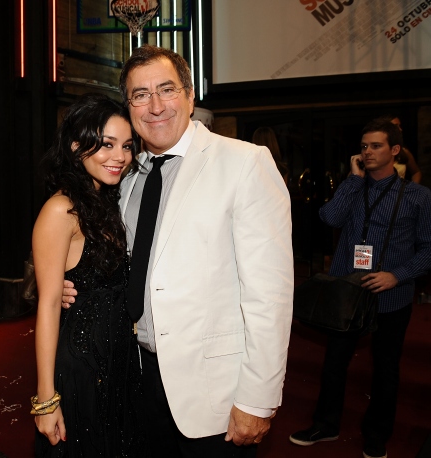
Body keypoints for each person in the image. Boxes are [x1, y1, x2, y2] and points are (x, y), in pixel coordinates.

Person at [62, 45, 293, 457]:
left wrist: (258, 398)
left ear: (189, 95)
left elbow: (270, 296)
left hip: (214, 390)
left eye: (166, 89)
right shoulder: (126, 177)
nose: (155, 106)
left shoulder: (243, 163)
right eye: (140, 95)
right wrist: (71, 284)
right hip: (135, 377)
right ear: (128, 106)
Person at [289, 118, 431, 458]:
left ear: (395, 150)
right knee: (334, 362)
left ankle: (376, 436)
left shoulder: (418, 196)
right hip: (346, 293)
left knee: (386, 368)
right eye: (364, 146)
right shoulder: (354, 188)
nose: (367, 152)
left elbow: (428, 249)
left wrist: (396, 275)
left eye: (376, 146)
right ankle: (326, 425)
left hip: (391, 295)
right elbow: (330, 218)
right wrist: (353, 180)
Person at [33, 93, 143, 457]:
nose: (120, 156)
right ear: (77, 146)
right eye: (107, 144)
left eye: (126, 146)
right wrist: (46, 399)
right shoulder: (61, 209)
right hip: (83, 365)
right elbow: (49, 305)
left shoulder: (107, 201)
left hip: (119, 360)